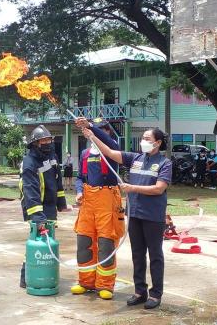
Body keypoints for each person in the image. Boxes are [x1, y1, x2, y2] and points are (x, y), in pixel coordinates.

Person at [82, 127, 172, 309]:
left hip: (153, 216)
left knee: (155, 255)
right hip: (135, 214)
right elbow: (108, 152)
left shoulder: (165, 163)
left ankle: (155, 294)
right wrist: (92, 135)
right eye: (143, 138)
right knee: (137, 254)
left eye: (147, 138)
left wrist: (132, 188)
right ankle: (140, 291)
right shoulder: (135, 158)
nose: (143, 141)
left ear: (158, 142)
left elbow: (159, 188)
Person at [71, 117, 124, 300]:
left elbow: (109, 143)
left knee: (106, 244)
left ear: (108, 132)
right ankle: (85, 282)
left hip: (107, 201)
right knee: (84, 242)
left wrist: (92, 127)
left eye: (104, 129)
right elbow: (80, 178)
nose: (98, 132)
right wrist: (78, 191)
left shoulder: (112, 150)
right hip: (88, 202)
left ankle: (105, 285)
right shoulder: (85, 153)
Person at [19, 125, 67, 288]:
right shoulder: (29, 162)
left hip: (49, 204)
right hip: (35, 205)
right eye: (43, 140)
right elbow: (31, 191)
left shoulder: (51, 156)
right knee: (37, 240)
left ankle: (45, 273)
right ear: (35, 143)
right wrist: (38, 217)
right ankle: (26, 276)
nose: (47, 143)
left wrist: (61, 203)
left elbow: (57, 180)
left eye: (49, 140)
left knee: (48, 240)